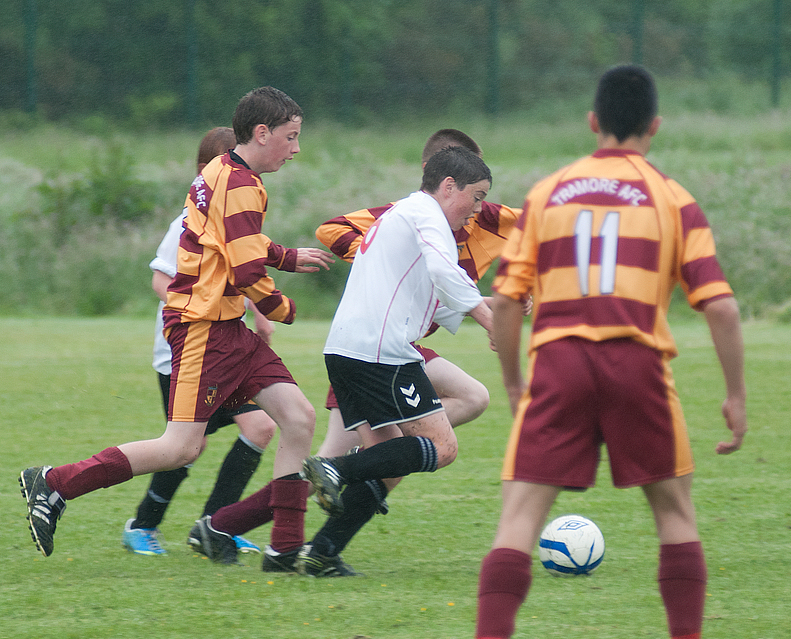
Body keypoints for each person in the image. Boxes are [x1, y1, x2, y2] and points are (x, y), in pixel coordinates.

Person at [474, 64, 747, 639]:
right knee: (674, 513)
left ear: (593, 122)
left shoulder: (546, 194)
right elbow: (720, 308)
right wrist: (736, 395)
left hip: (558, 361)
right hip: (638, 361)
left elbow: (503, 301)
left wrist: (516, 381)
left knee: (518, 516)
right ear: (655, 126)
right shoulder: (674, 199)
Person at [19, 86, 334, 562]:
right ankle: (55, 482)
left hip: (229, 329)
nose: (295, 149)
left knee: (297, 417)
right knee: (180, 449)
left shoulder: (222, 169)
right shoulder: (242, 182)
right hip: (202, 331)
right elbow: (247, 271)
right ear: (262, 132)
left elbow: (234, 236)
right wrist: (281, 309)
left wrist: (286, 257)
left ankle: (285, 547)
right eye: (291, 138)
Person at [295, 129, 524, 576]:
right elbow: (444, 268)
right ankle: (333, 468)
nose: (477, 210)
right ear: (448, 186)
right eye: (475, 198)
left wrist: (486, 306)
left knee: (388, 461)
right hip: (382, 353)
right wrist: (485, 316)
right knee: (442, 446)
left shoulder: (402, 215)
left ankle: (322, 553)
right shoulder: (427, 215)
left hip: (346, 349)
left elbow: (429, 289)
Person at [122, 127, 277, 556]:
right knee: (187, 448)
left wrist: (261, 315)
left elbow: (243, 271)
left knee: (259, 426)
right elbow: (161, 278)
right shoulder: (189, 220)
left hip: (225, 352)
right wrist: (197, 312)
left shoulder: (233, 218)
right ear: (206, 171)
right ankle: (143, 525)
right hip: (184, 354)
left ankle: (218, 525)